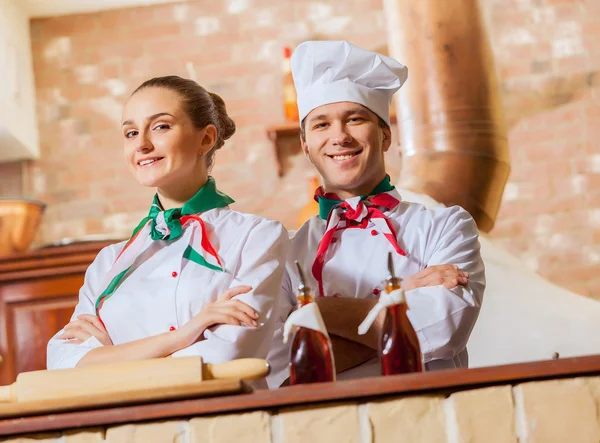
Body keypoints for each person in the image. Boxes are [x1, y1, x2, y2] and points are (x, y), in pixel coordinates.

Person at [267, 41, 485, 388]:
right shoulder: (286, 252)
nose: (339, 136)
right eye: (321, 124)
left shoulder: (447, 226)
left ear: (385, 135)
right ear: (306, 146)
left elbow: (445, 328)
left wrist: (313, 314)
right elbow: (278, 368)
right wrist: (397, 303)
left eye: (354, 119)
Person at [47, 76, 289, 381]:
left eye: (161, 126)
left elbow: (227, 358)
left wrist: (110, 357)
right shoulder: (108, 262)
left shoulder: (256, 237)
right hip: (129, 426)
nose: (142, 144)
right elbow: (61, 364)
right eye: (131, 132)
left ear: (206, 139)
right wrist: (186, 334)